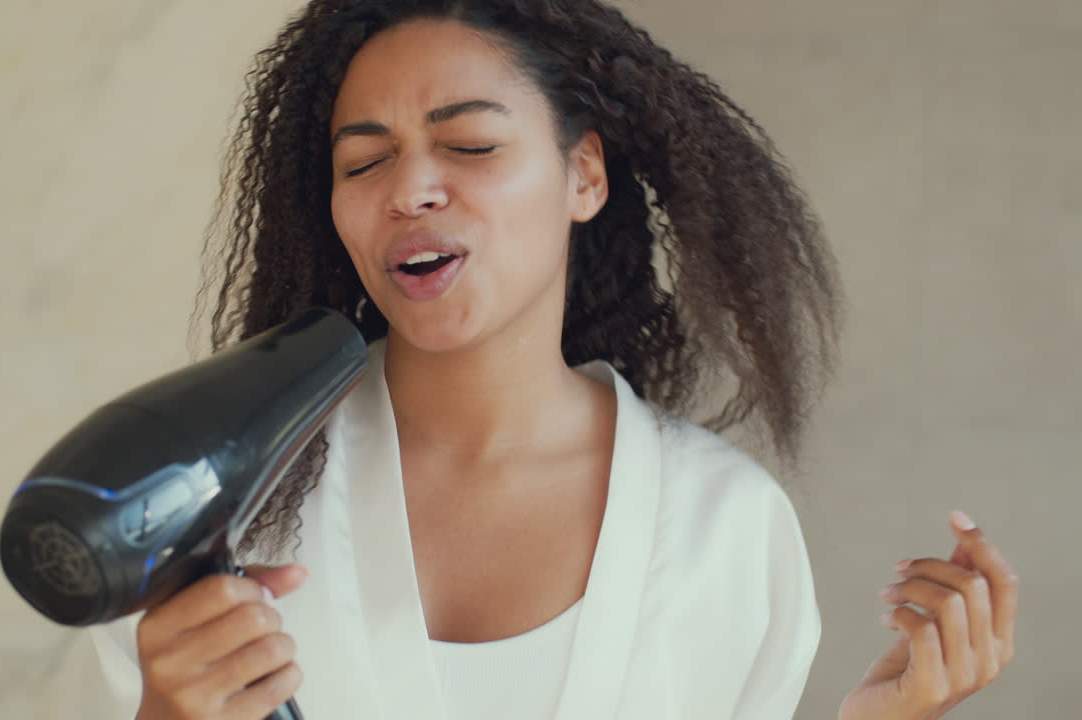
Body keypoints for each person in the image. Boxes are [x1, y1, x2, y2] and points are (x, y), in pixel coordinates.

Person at [67, 1, 1020, 718]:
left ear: (585, 174)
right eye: (363, 163)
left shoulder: (723, 528)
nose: (410, 190)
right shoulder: (213, 506)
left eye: (470, 143)